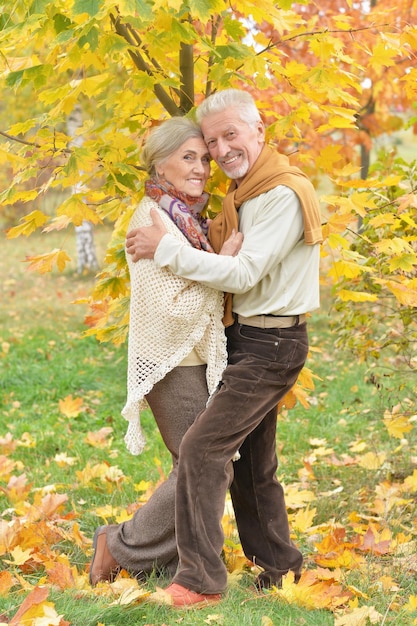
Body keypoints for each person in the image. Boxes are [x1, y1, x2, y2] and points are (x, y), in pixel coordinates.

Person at [125, 88, 323, 609]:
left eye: (230, 135)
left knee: (202, 449)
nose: (221, 150)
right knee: (255, 467)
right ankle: (279, 567)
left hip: (271, 343)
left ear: (259, 130)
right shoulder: (244, 194)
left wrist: (167, 249)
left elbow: (243, 272)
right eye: (211, 142)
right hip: (248, 338)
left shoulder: (280, 194)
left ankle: (200, 580)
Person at [89, 117, 235, 586]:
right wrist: (223, 267)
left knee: (201, 464)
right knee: (202, 463)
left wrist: (212, 265)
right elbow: (172, 309)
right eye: (188, 158)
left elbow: (194, 278)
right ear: (161, 163)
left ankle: (178, 558)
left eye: (204, 159)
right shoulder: (149, 218)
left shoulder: (186, 217)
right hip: (172, 361)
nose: (200, 169)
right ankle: (120, 545)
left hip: (196, 356)